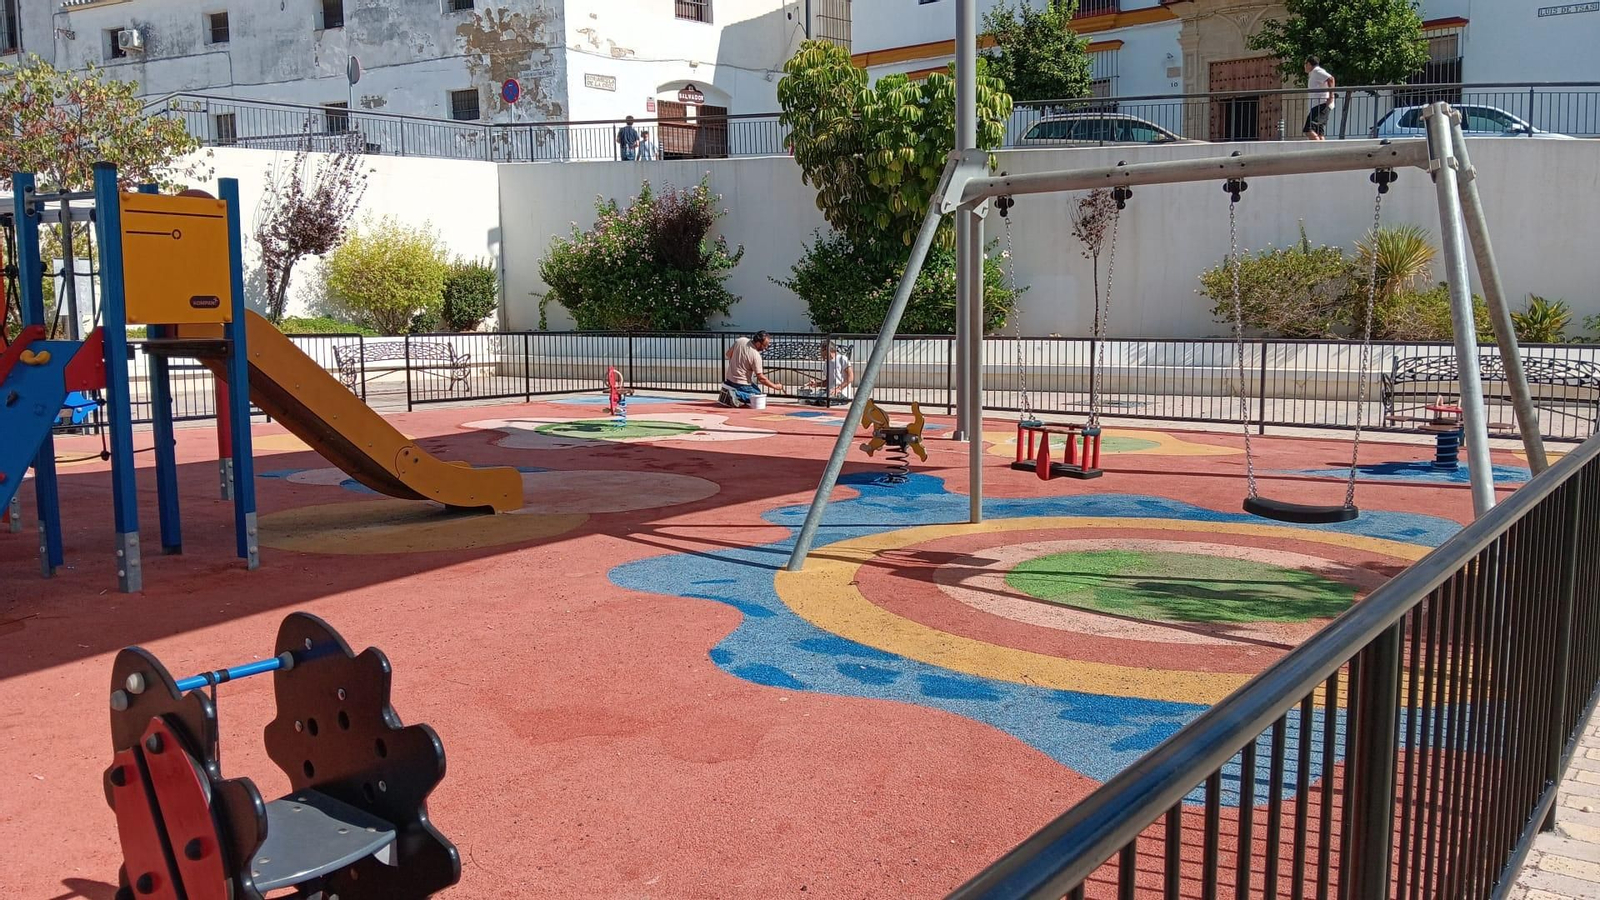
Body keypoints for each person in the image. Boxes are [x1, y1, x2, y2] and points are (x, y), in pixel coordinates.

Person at [720, 330, 784, 407]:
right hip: (741, 383)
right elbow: (761, 378)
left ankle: (734, 394)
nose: (766, 348)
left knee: (756, 390)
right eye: (765, 345)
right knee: (758, 396)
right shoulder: (756, 355)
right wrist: (775, 386)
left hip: (729, 379)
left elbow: (728, 354)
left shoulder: (740, 340)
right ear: (758, 343)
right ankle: (735, 394)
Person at [1303, 56, 1335, 141]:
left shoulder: (1317, 71)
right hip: (1318, 104)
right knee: (1319, 132)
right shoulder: (1314, 73)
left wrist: (1331, 96)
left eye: (1305, 64)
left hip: (1321, 104)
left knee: (1308, 129)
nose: (1304, 66)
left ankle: (1316, 150)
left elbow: (1331, 79)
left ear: (1309, 64)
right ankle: (1323, 151)